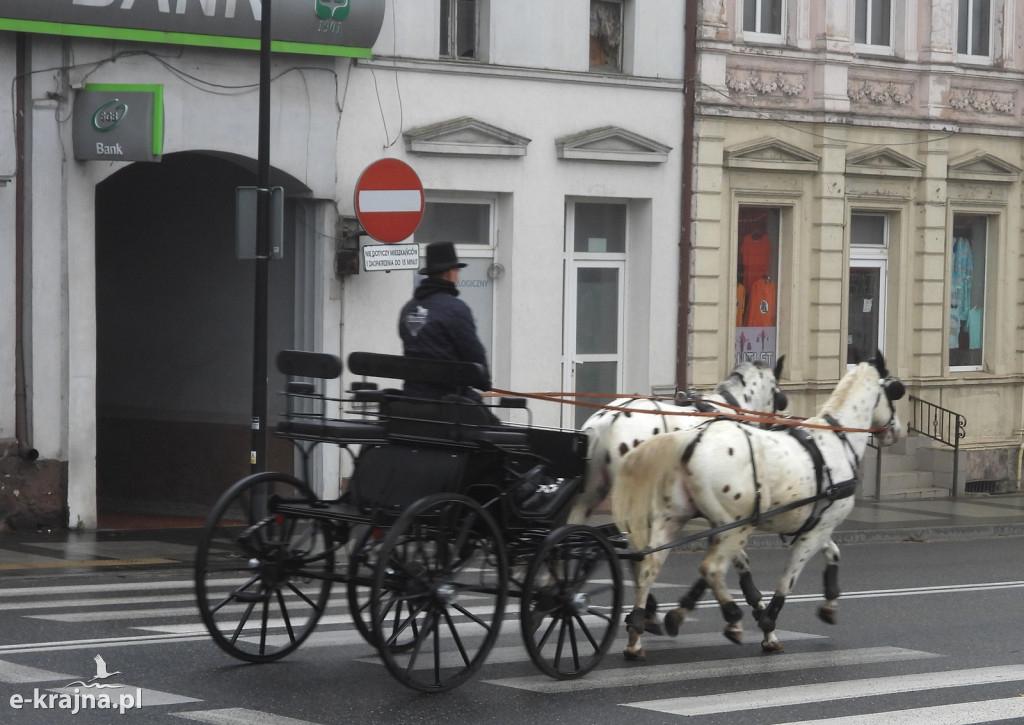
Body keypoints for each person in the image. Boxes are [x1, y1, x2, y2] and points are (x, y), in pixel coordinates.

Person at [399, 241, 492, 402]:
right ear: (450, 273)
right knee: (494, 426)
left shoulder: (408, 309)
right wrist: (484, 381)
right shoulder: (455, 309)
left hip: (412, 399)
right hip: (448, 404)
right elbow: (474, 354)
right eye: (457, 270)